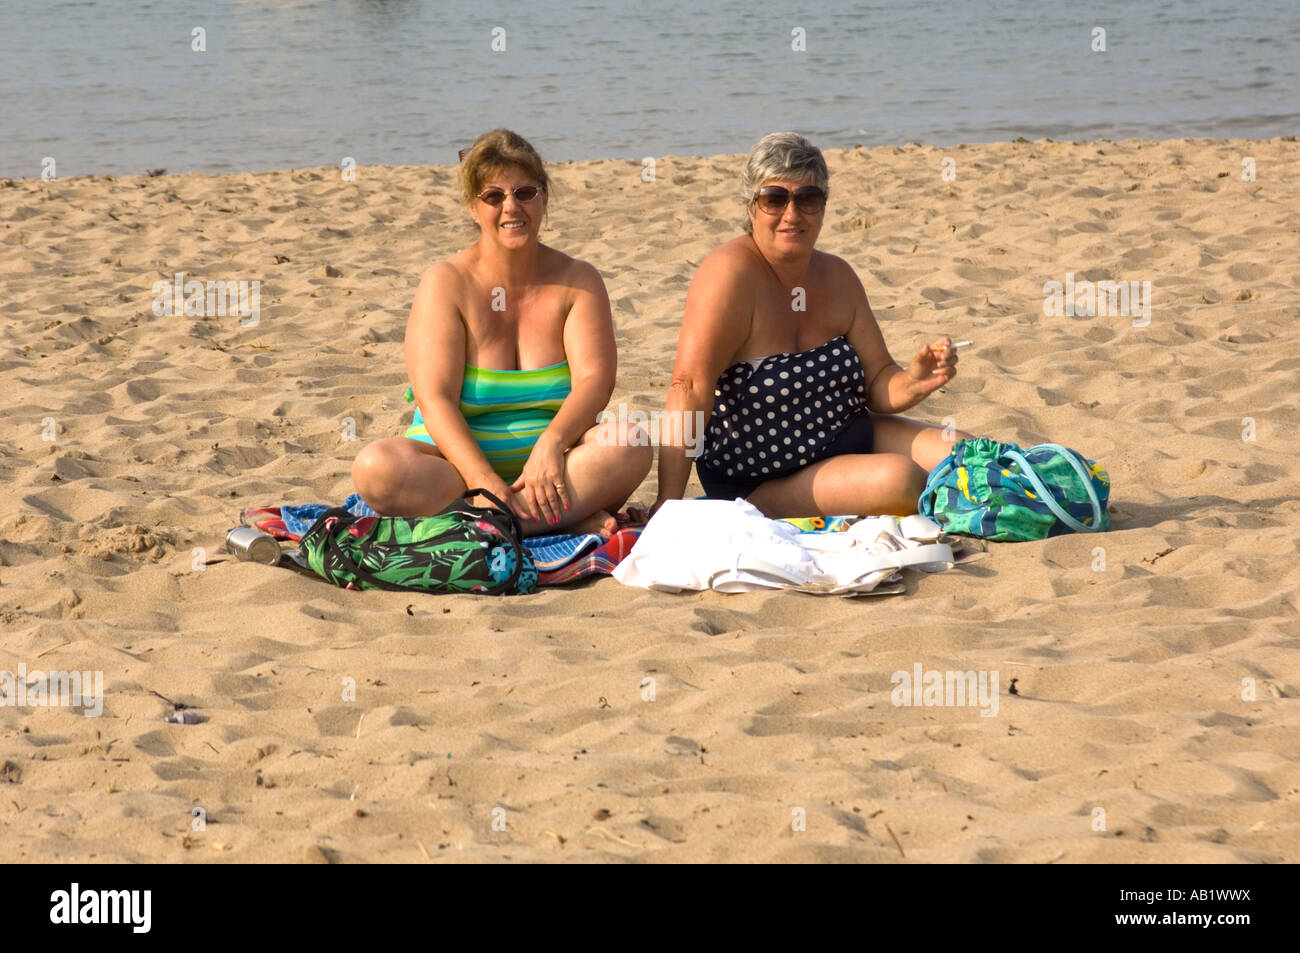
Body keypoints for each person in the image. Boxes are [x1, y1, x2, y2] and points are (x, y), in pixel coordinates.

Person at [654, 132, 973, 519]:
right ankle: (757, 508)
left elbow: (878, 382)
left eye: (808, 199)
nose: (792, 214)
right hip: (760, 476)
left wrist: (914, 382)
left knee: (966, 456)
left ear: (822, 207)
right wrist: (667, 504)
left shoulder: (837, 275)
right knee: (901, 480)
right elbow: (688, 387)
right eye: (775, 199)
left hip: (847, 434)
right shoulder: (729, 275)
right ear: (751, 207)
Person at [352, 129, 651, 534]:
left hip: (553, 470)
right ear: (474, 208)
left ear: (543, 197)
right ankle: (548, 523)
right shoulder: (446, 282)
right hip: (456, 471)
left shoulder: (577, 280)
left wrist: (552, 444)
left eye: (525, 193)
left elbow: (594, 381)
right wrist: (481, 480)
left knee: (629, 443)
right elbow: (435, 399)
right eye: (494, 196)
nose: (512, 207)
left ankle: (495, 524)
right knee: (376, 467)